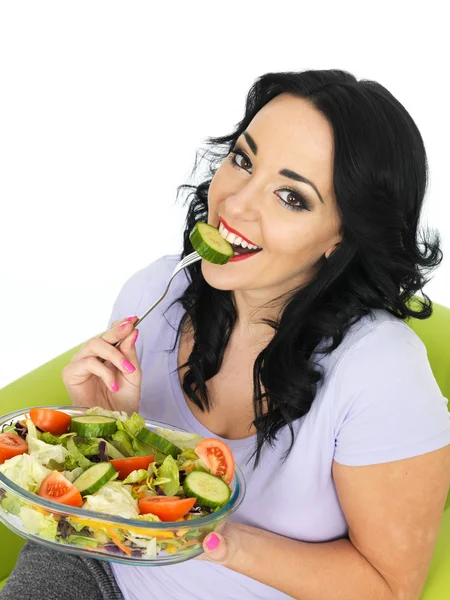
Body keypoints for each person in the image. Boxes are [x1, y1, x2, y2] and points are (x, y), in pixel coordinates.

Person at [2, 69, 450, 600]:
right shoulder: (156, 292)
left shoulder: (380, 372)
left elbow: (389, 587)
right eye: (242, 160)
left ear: (343, 235)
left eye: (291, 196)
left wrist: (215, 537)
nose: (235, 205)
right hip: (100, 566)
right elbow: (120, 505)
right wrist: (110, 427)